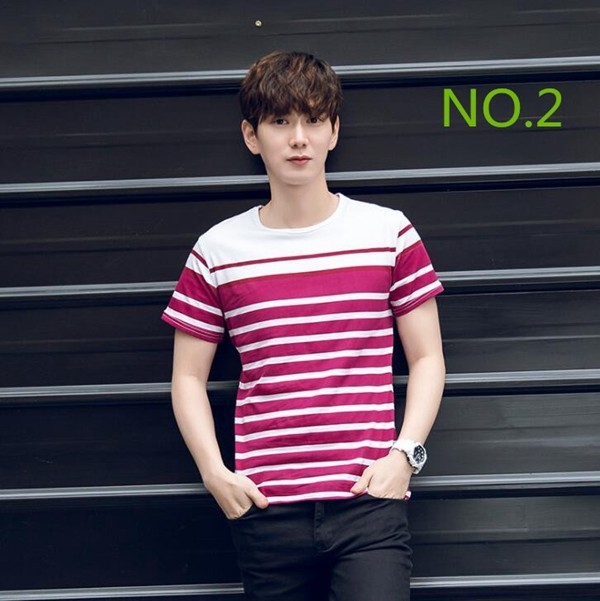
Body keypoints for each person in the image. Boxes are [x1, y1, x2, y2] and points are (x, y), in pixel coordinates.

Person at [162, 50, 445, 601]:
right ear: (252, 136)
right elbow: (188, 377)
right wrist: (215, 473)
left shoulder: (388, 233)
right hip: (266, 511)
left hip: (369, 507)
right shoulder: (217, 250)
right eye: (280, 121)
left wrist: (404, 456)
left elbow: (428, 358)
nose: (299, 139)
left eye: (314, 120)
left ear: (334, 131)